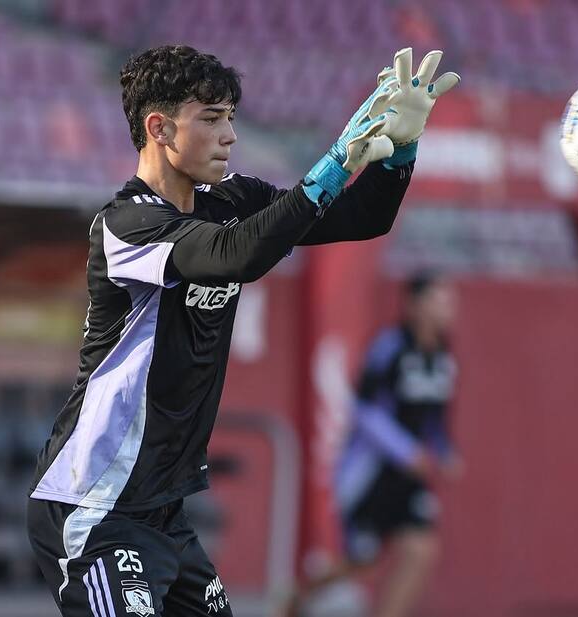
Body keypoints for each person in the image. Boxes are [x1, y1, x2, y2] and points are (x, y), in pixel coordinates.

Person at [26, 44, 459, 617]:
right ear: (159, 128)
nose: (230, 134)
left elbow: (364, 218)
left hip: (164, 512)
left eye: (230, 115)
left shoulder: (233, 199)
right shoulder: (126, 225)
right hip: (94, 504)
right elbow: (239, 255)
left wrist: (400, 150)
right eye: (210, 118)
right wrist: (333, 163)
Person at [284, 274, 463, 617]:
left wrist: (443, 450)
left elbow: (434, 419)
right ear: (414, 305)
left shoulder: (443, 356)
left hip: (408, 480)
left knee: (420, 549)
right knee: (362, 562)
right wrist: (404, 450)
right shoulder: (390, 347)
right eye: (438, 301)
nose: (447, 310)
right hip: (371, 474)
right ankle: (299, 594)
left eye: (450, 302)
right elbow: (363, 409)